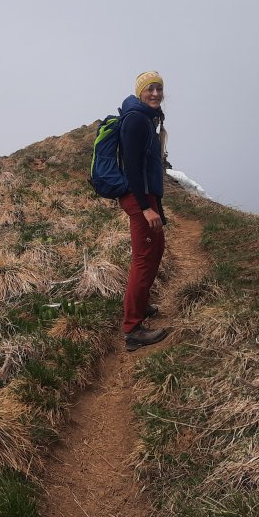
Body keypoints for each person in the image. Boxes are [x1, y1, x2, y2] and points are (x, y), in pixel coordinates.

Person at [119, 71, 169, 352]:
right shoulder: (136, 120)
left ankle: (140, 304)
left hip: (149, 196)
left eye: (159, 88)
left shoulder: (147, 118)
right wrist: (146, 207)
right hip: (140, 198)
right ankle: (133, 329)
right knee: (143, 258)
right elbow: (132, 168)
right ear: (140, 92)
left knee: (156, 250)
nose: (156, 93)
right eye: (150, 89)